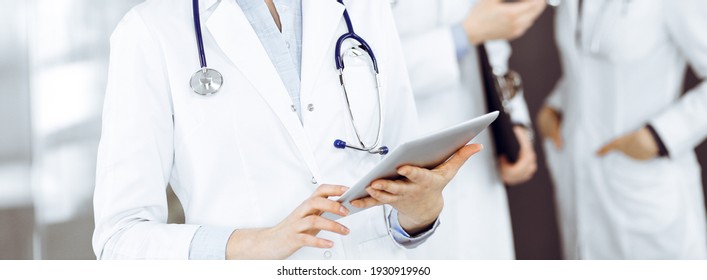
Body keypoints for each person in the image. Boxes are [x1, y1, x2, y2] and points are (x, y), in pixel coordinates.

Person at [92, 0, 482, 260]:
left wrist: (421, 212)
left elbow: (398, 197)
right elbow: (120, 238)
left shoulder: (363, 8)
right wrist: (257, 243)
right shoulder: (150, 30)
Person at [537, 0, 707, 259]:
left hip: (644, 191)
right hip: (582, 184)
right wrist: (556, 104)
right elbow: (589, 65)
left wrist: (660, 136)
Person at [392, 0, 545, 259]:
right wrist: (461, 36)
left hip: (478, 148)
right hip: (402, 152)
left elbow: (494, 50)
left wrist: (516, 124)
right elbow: (358, 67)